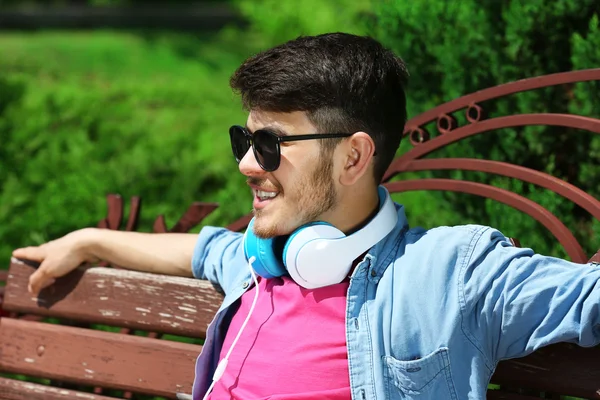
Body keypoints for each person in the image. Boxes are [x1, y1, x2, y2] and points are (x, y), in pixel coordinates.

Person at [12, 33, 600, 400]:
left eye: (270, 144)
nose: (246, 164)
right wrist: (89, 240)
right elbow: (198, 248)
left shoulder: (450, 273)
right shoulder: (263, 256)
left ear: (353, 156)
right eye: (243, 138)